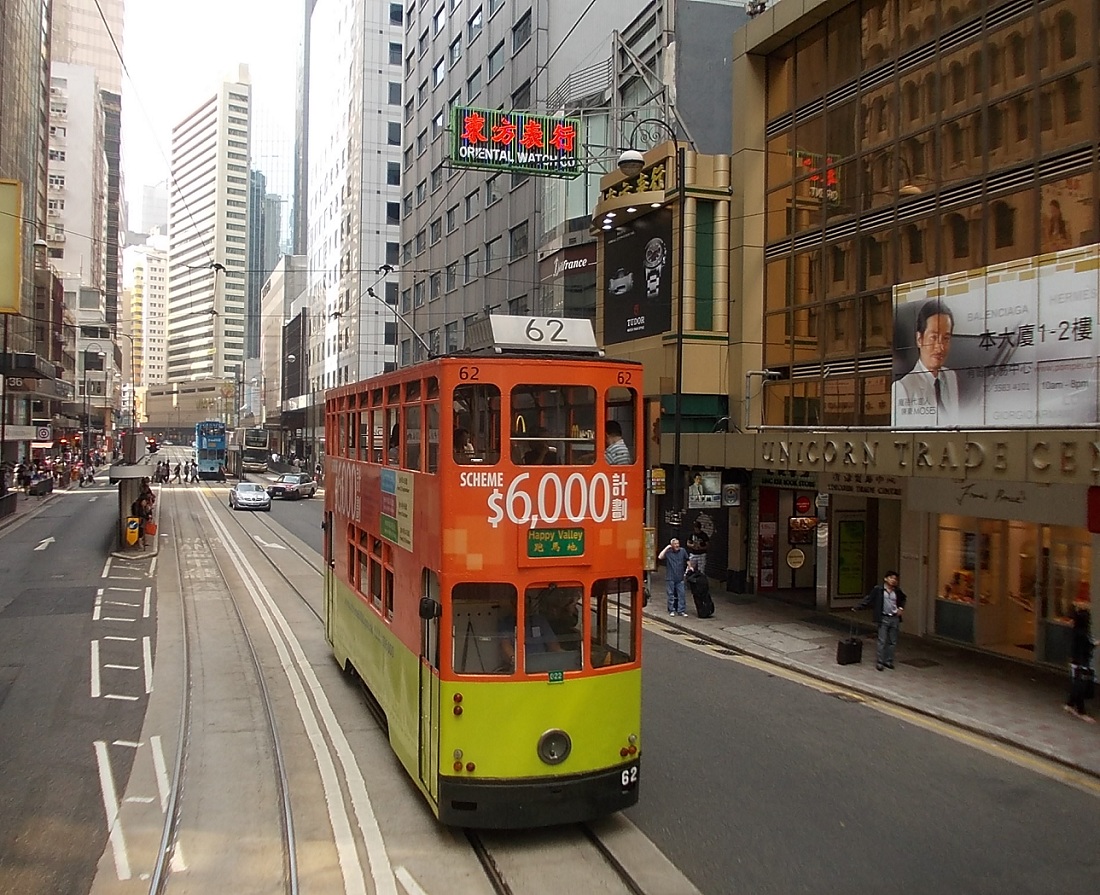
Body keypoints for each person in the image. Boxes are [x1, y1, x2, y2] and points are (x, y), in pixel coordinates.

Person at [893, 299, 960, 427]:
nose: (940, 347)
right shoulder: (903, 387)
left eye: (946, 338)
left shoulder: (951, 376)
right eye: (933, 337)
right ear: (919, 339)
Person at [855, 571, 907, 671]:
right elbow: (869, 599)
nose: (893, 580)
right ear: (885, 579)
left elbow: (903, 598)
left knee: (892, 641)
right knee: (882, 641)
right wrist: (858, 607)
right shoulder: (878, 589)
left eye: (895, 579)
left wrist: (901, 608)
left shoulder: (897, 591)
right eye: (891, 578)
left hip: (894, 618)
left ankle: (888, 661)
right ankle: (880, 662)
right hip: (883, 618)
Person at [1065, 600, 1096, 723]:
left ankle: (1070, 704)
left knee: (1077, 683)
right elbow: (1089, 645)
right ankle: (1081, 711)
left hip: (1076, 659)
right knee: (1080, 686)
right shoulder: (1083, 633)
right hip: (1082, 660)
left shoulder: (1076, 630)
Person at [658, 537, 689, 618]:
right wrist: (667, 548)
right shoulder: (668, 552)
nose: (677, 545)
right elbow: (660, 557)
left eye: (678, 543)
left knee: (681, 594)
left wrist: (690, 567)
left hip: (680, 577)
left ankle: (681, 610)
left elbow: (687, 559)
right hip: (670, 577)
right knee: (671, 594)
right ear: (671, 545)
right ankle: (671, 610)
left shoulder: (682, 551)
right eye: (675, 544)